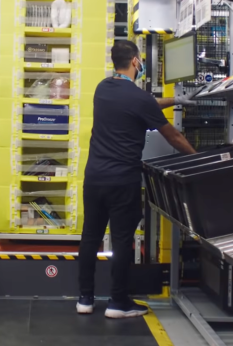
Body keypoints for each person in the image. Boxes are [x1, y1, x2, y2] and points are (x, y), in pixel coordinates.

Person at [77, 40, 197, 319]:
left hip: (94, 178)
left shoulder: (102, 89)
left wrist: (174, 100)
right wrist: (196, 158)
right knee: (121, 241)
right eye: (141, 59)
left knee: (89, 237)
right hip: (123, 180)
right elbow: (173, 136)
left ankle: (85, 299)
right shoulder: (140, 99)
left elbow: (144, 104)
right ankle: (118, 303)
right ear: (135, 61)